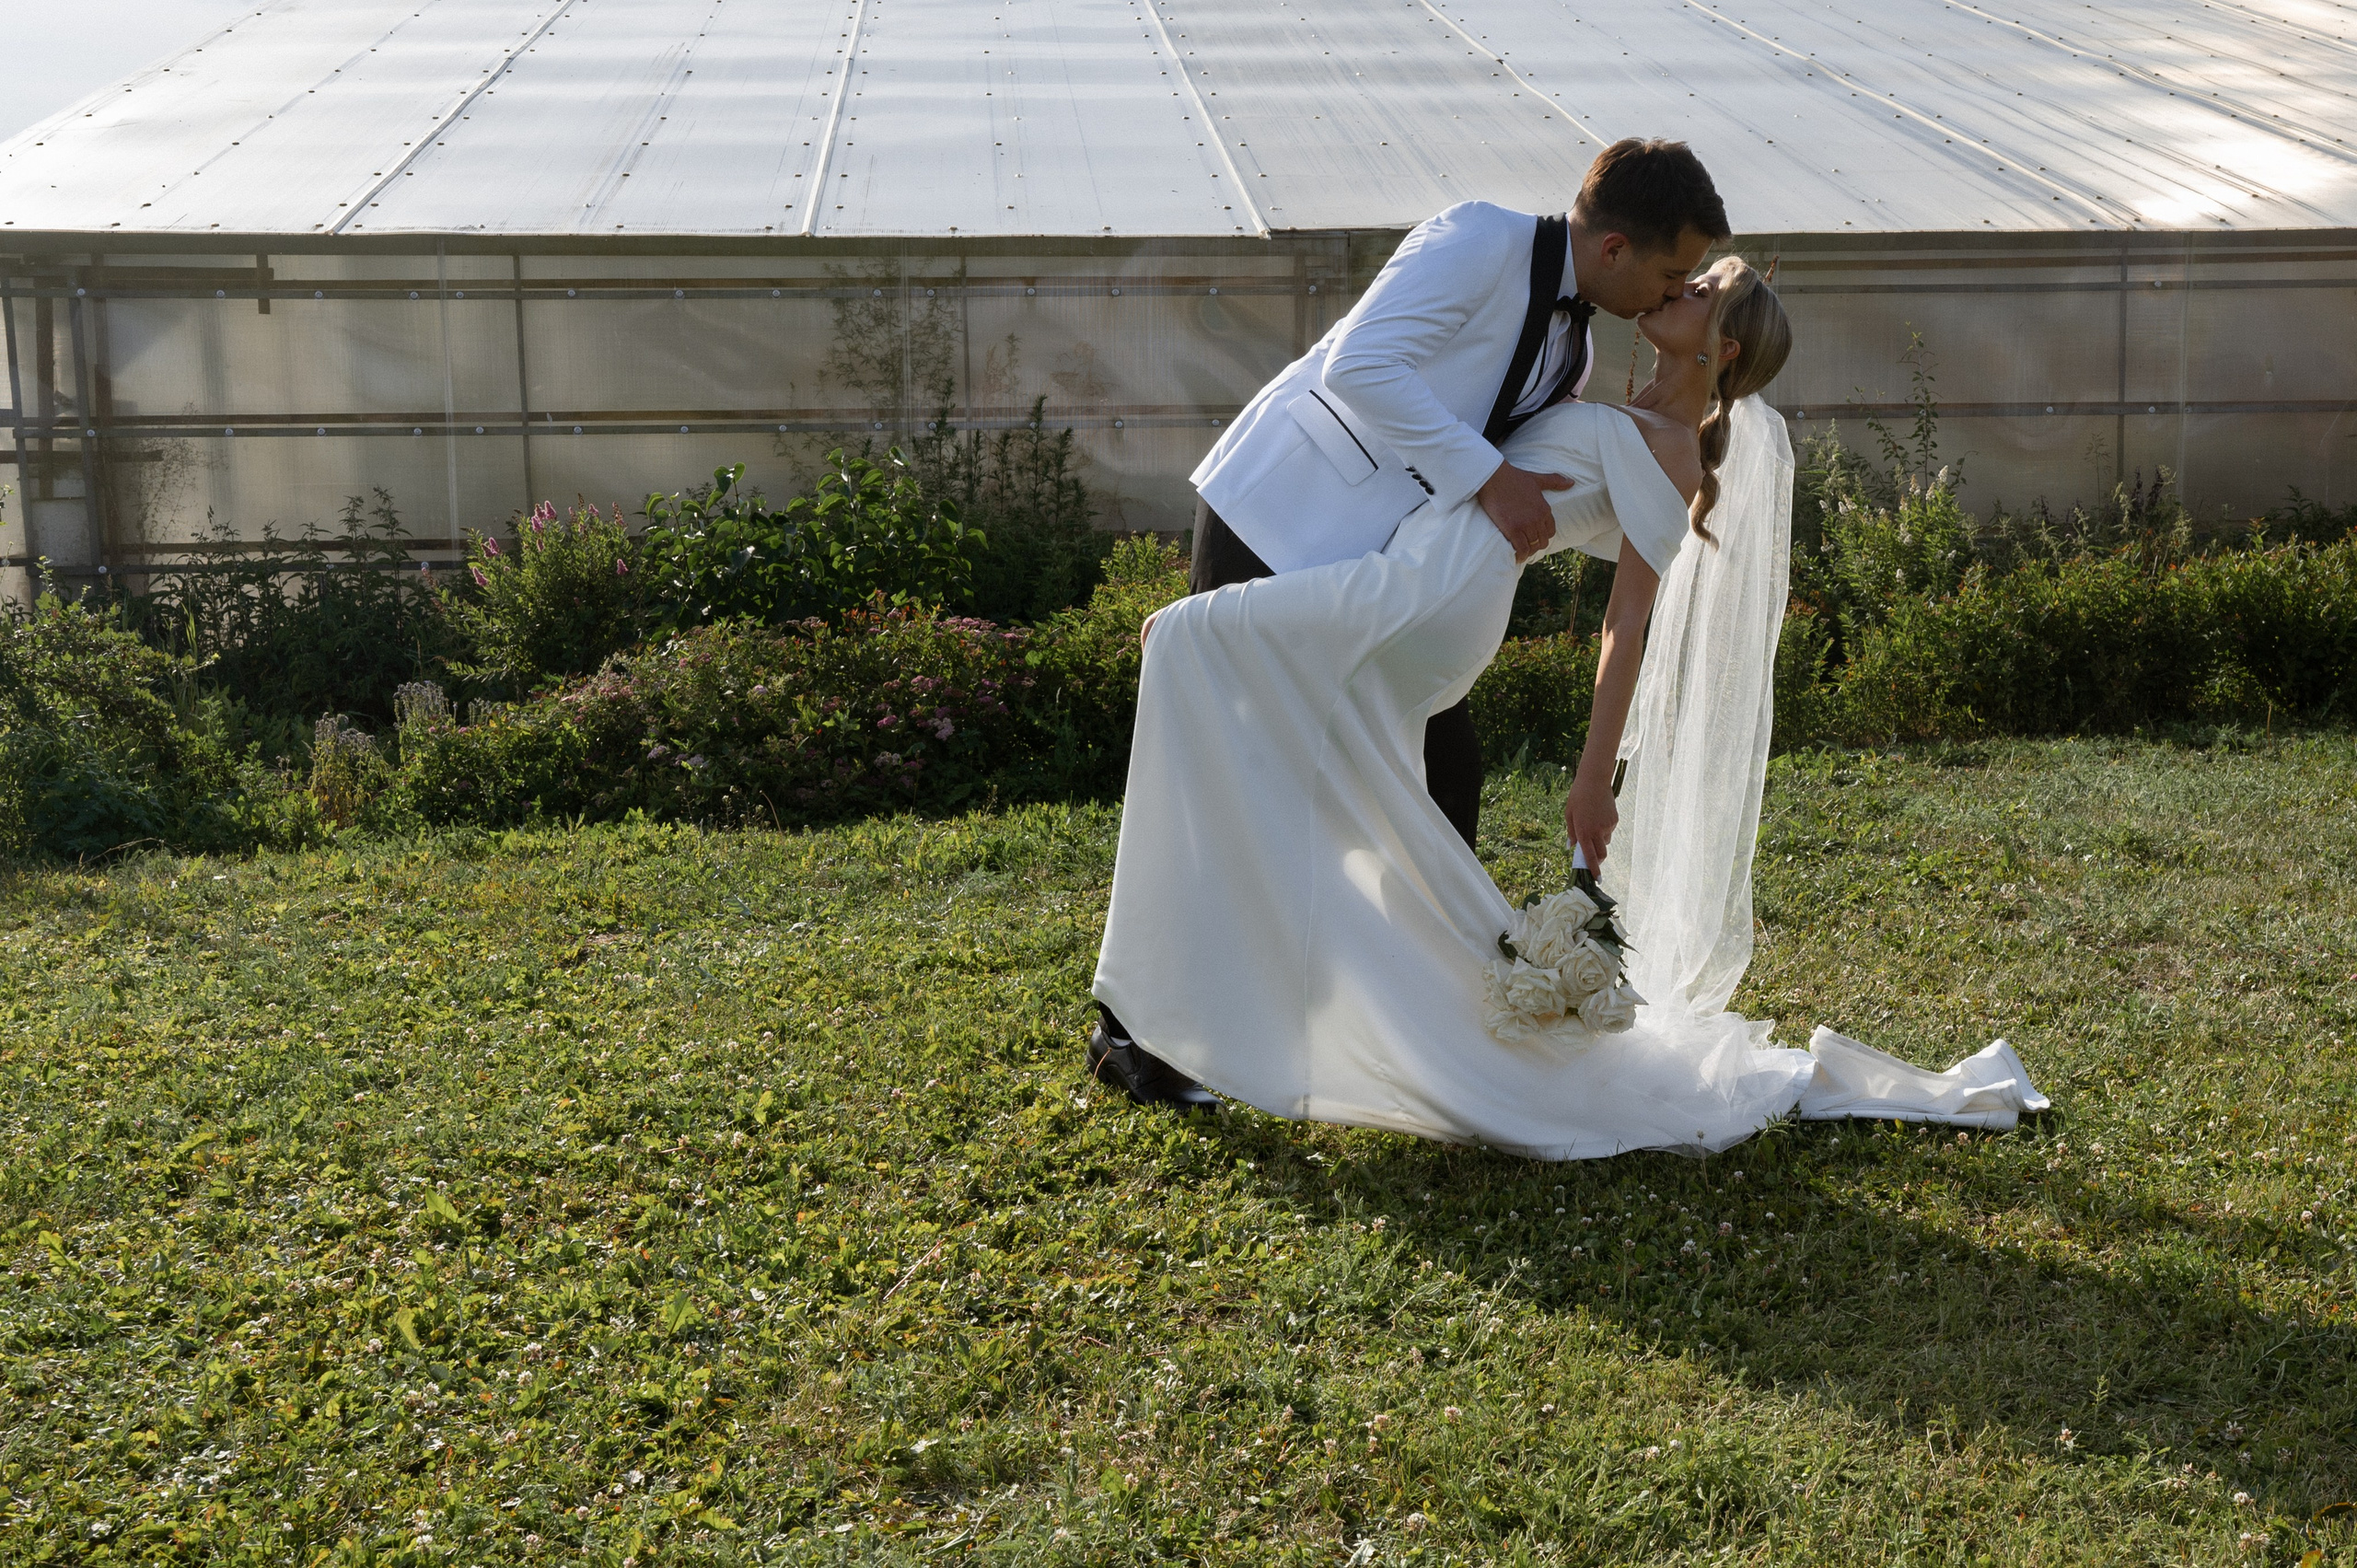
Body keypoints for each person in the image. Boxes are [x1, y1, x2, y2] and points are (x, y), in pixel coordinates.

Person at [1088, 258, 2048, 1157]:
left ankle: (1201, 1014)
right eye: (1682, 276)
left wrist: (1594, 778)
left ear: (1723, 352)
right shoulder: (1606, 396)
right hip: (1425, 565)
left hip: (1440, 587)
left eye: (1698, 291)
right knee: (1256, 699)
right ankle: (1247, 1001)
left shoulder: (1674, 454)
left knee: (1195, 640)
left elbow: (1624, 625)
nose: (1675, 287)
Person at [1089, 138, 1729, 1109]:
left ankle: (1415, 1016)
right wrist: (1492, 478)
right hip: (1280, 514)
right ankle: (1142, 1038)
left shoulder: (1577, 342)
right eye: (1670, 271)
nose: (1670, 291)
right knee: (1238, 769)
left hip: (1377, 574)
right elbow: (1362, 365)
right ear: (1613, 250)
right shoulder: (1476, 239)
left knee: (1441, 772)